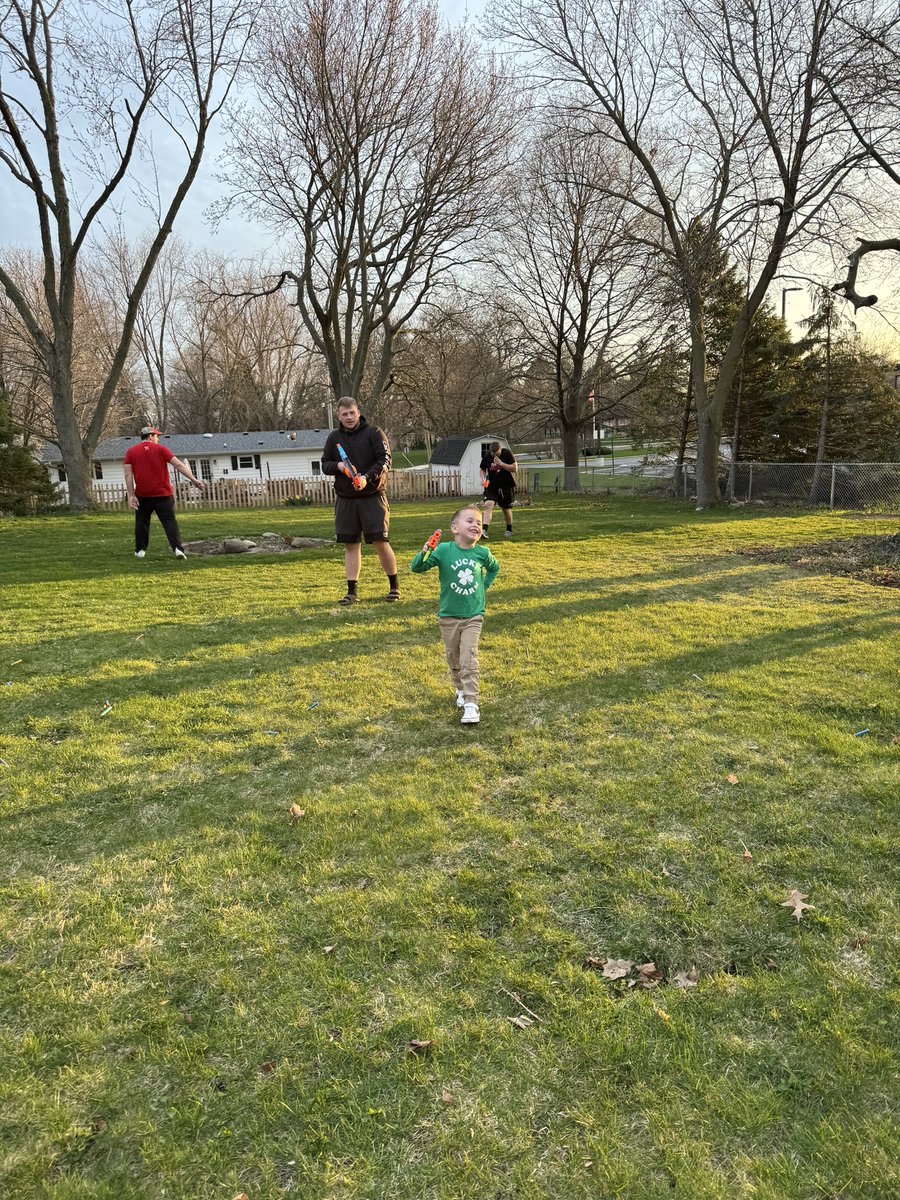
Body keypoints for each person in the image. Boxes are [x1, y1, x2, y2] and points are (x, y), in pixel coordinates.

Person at [410, 505, 500, 725]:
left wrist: (483, 586)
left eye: (479, 523)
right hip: (448, 616)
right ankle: (459, 689)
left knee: (469, 657)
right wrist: (425, 552)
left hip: (473, 616)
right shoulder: (443, 550)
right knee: (453, 657)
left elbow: (494, 569)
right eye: (470, 521)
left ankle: (471, 703)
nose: (476, 525)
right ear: (455, 528)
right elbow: (417, 568)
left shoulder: (482, 553)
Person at [321, 397, 399, 604]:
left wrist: (365, 478)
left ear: (358, 412)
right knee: (350, 544)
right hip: (345, 499)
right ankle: (352, 593)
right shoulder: (333, 438)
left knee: (380, 542)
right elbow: (325, 464)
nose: (348, 417)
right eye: (344, 414)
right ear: (338, 415)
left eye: (352, 413)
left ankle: (394, 587)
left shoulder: (374, 433)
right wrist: (338, 467)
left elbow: (385, 460)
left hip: (373, 497)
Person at [124, 426, 205, 559]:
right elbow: (178, 465)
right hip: (163, 495)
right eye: (156, 436)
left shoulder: (131, 452)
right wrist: (194, 480)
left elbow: (128, 475)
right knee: (169, 521)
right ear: (150, 436)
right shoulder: (161, 450)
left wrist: (131, 495)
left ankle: (140, 551)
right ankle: (178, 549)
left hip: (143, 495)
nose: (158, 439)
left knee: (142, 522)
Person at [479, 441, 517, 539]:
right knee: (488, 505)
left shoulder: (507, 453)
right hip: (492, 486)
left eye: (496, 453)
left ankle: (509, 529)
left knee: (505, 509)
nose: (494, 455)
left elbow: (514, 468)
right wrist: (483, 479)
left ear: (500, 449)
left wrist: (501, 464)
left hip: (506, 486)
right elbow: (482, 469)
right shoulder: (487, 456)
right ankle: (484, 530)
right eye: (493, 453)